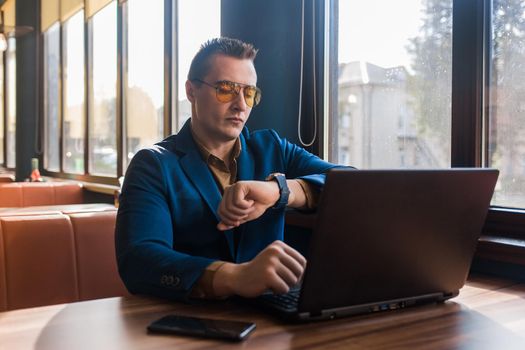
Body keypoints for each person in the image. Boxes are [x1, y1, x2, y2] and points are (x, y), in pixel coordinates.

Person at [115, 37, 342, 302]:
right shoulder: (152, 164)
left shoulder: (272, 147)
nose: (241, 104)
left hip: (271, 317)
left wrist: (281, 190)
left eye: (249, 93)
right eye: (226, 89)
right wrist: (233, 277)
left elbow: (349, 182)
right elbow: (138, 260)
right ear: (191, 91)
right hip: (188, 322)